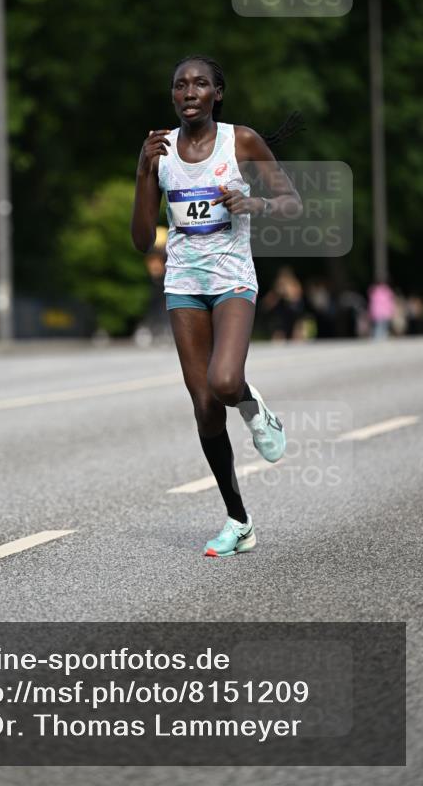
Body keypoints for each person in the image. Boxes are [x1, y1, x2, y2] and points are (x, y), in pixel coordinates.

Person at [131, 54, 303, 558]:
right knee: (205, 406)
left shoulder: (240, 140)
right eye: (180, 85)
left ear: (217, 94)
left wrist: (257, 204)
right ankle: (238, 519)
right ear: (173, 96)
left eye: (200, 84)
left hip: (232, 280)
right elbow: (143, 240)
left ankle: (256, 411)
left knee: (225, 383)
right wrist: (143, 170)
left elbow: (291, 202)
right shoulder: (158, 151)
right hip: (183, 283)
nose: (189, 92)